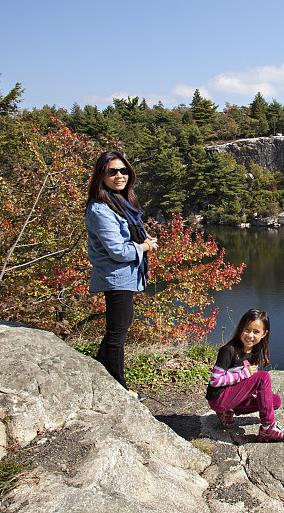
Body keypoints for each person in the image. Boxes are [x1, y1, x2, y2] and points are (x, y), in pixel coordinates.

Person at [85, 150, 158, 401]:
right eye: (112, 171)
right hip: (116, 277)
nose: (119, 176)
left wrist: (142, 238)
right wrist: (144, 247)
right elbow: (117, 251)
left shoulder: (119, 200)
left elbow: (129, 231)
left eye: (123, 170)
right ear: (101, 176)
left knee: (121, 326)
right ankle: (120, 389)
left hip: (126, 275)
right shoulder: (100, 209)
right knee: (117, 333)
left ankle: (99, 370)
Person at [206, 309, 284, 442]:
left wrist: (258, 392)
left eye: (256, 332)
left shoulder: (254, 352)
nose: (250, 335)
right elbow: (215, 381)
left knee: (274, 401)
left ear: (264, 334)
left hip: (234, 396)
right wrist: (244, 374)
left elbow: (248, 381)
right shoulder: (229, 350)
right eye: (247, 330)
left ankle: (227, 412)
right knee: (263, 377)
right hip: (219, 398)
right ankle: (268, 428)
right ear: (240, 328)